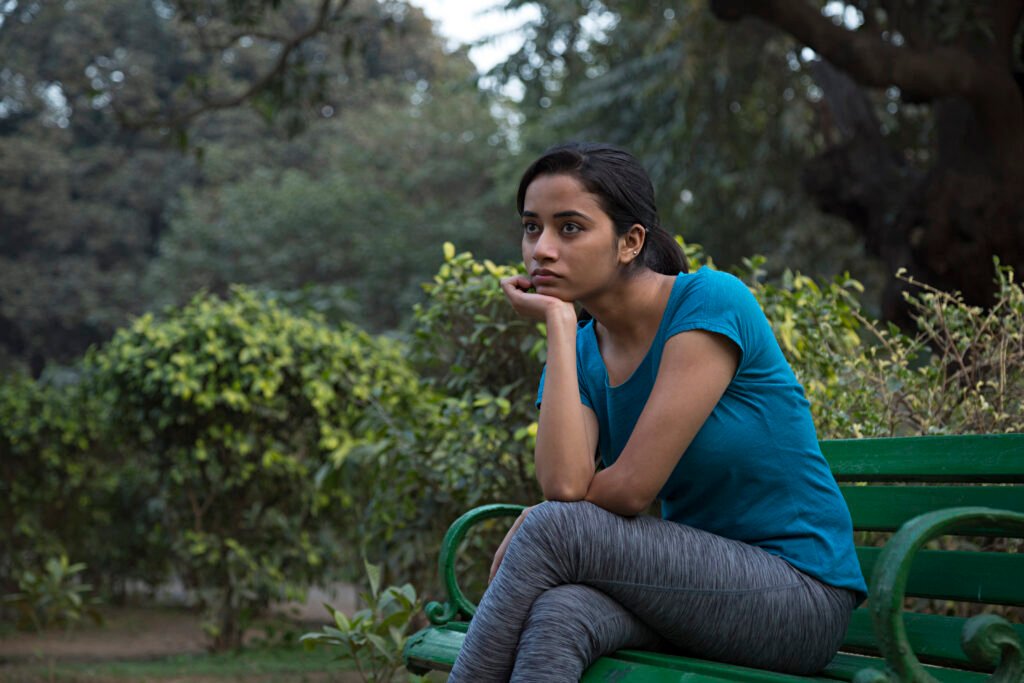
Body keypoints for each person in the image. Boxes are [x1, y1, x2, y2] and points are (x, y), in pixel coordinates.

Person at [447, 142, 866, 682]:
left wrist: (544, 520)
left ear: (630, 242)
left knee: (551, 528)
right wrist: (558, 324)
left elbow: (628, 490)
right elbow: (565, 484)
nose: (542, 249)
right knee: (561, 614)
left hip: (797, 596)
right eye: (532, 227)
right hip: (696, 591)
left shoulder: (709, 302)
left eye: (569, 228)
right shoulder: (578, 347)